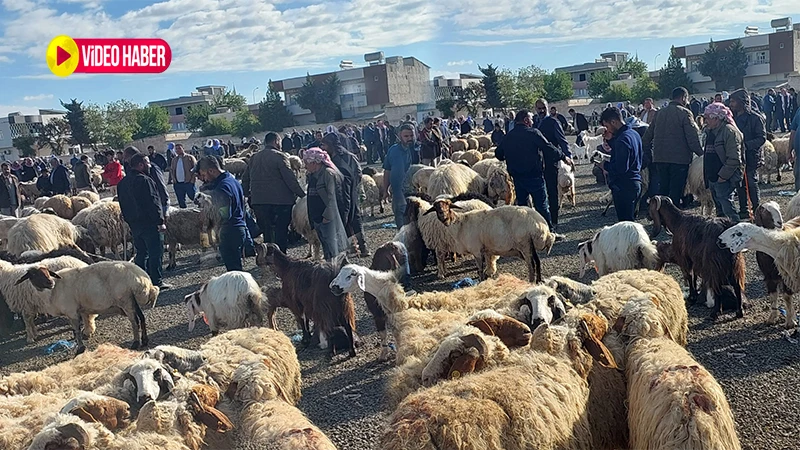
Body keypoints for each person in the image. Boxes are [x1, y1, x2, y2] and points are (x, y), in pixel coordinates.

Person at [496, 110, 569, 231]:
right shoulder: (533, 133)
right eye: (530, 119)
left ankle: (527, 232)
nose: (532, 121)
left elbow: (498, 154)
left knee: (523, 207)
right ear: (525, 120)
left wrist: (510, 156)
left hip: (518, 178)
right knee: (541, 206)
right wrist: (563, 156)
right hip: (534, 176)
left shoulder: (509, 136)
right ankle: (549, 232)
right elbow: (548, 147)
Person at [242, 132, 305, 254]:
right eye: (280, 142)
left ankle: (268, 257)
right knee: (281, 231)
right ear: (276, 141)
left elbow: (245, 179)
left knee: (267, 232)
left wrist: (247, 195)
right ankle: (281, 259)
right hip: (280, 202)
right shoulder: (280, 157)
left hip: (259, 202)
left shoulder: (255, 157)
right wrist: (302, 195)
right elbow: (290, 178)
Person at [642, 86, 703, 207]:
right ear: (684, 97)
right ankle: (672, 218)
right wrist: (701, 154)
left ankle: (660, 215)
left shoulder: (659, 112)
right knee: (675, 190)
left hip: (660, 158)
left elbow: (647, 136)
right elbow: (692, 138)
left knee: (663, 188)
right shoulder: (685, 113)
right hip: (679, 160)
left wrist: (646, 150)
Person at [117, 153, 168, 289]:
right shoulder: (145, 180)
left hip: (134, 224)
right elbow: (153, 202)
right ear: (140, 165)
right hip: (149, 223)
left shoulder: (122, 183)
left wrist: (129, 220)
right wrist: (160, 221)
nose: (149, 165)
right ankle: (156, 281)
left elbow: (122, 204)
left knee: (141, 253)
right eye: (147, 162)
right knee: (155, 252)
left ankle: (140, 281)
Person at [195, 156, 248, 271]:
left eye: (204, 175)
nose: (204, 179)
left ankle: (239, 288)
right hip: (238, 227)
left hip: (229, 232)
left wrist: (207, 215)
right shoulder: (232, 179)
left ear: (211, 171)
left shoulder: (222, 187)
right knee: (236, 267)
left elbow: (225, 214)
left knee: (234, 271)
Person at [321, 132, 369, 256]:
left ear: (331, 145)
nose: (323, 148)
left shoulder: (348, 157)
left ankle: (362, 247)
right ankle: (352, 247)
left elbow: (358, 174)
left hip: (349, 192)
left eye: (324, 145)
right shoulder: (328, 158)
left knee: (352, 218)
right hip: (337, 193)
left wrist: (350, 186)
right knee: (344, 219)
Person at [700, 102, 744, 223]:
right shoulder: (710, 132)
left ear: (717, 118)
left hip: (724, 178)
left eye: (707, 118)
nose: (705, 121)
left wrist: (723, 177)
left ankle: (735, 230)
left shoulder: (729, 132)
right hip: (713, 177)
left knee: (727, 208)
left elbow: (734, 158)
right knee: (719, 210)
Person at [726, 88, 766, 220]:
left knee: (751, 183)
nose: (731, 104)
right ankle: (744, 209)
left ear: (741, 102)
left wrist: (746, 145)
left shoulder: (755, 118)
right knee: (739, 183)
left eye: (733, 101)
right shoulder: (732, 118)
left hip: (751, 156)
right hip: (737, 156)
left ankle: (757, 209)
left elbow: (762, 138)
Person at [303, 148, 349, 260]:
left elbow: (334, 198)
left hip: (328, 219)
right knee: (327, 248)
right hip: (318, 218)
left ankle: (339, 270)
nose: (305, 166)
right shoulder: (313, 176)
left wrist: (327, 217)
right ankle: (330, 271)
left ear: (314, 162)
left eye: (306, 163)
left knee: (335, 249)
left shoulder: (328, 174)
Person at [534, 98, 571, 236]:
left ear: (548, 107)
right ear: (535, 109)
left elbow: (562, 140)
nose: (541, 110)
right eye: (539, 108)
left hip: (551, 162)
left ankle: (554, 221)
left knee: (552, 192)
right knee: (539, 192)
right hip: (536, 163)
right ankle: (541, 220)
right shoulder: (534, 122)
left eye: (543, 107)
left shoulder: (553, 122)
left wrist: (568, 156)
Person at [599, 108, 642, 222]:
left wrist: (605, 165)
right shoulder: (634, 134)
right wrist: (611, 140)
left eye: (606, 126)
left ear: (613, 122)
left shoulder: (622, 140)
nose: (606, 129)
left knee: (626, 226)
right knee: (631, 223)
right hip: (635, 183)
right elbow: (626, 153)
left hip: (624, 187)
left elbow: (621, 168)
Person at [383, 124, 415, 228]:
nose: (409, 138)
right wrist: (385, 189)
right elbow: (387, 170)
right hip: (398, 192)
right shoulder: (394, 151)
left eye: (411, 135)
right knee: (402, 221)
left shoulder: (418, 148)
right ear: (399, 136)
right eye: (406, 136)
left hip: (416, 190)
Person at [123, 146, 169, 216]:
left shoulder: (152, 168)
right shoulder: (130, 170)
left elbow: (161, 187)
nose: (125, 160)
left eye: (126, 157)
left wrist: (164, 207)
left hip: (157, 205)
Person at [169, 144, 198, 209]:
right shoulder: (174, 160)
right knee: (181, 200)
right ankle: (184, 213)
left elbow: (195, 169)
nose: (177, 150)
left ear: (183, 148)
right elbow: (172, 170)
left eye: (179, 148)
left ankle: (202, 209)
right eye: (176, 149)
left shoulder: (190, 157)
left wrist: (192, 180)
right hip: (178, 183)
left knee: (194, 197)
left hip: (188, 182)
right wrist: (173, 180)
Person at [790, 105, 800, 192]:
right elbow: (793, 131)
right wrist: (789, 149)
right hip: (799, 152)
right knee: (798, 174)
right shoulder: (799, 110)